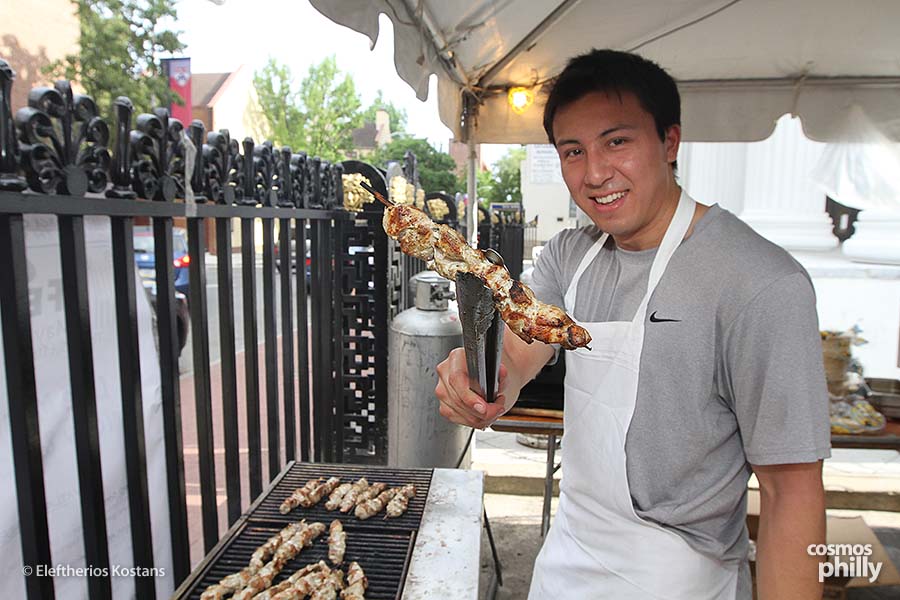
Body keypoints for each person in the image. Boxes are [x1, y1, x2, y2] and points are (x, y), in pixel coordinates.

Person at [435, 49, 830, 599]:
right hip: (567, 561)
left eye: (617, 142)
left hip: (679, 579)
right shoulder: (569, 256)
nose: (595, 173)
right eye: (573, 151)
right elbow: (516, 357)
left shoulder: (761, 283)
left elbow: (793, 494)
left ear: (669, 141)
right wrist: (477, 378)